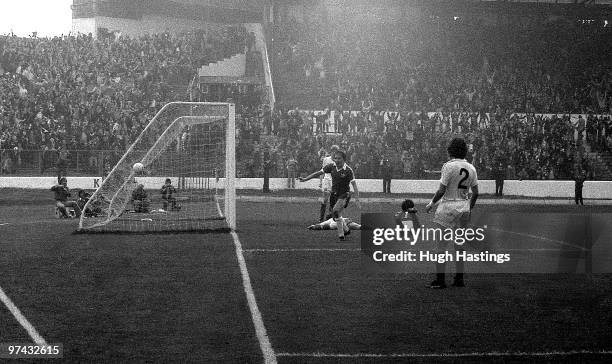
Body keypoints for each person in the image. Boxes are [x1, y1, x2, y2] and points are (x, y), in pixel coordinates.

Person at [425, 137, 479, 289]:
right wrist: (469, 208)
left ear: (450, 150)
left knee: (441, 245)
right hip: (464, 207)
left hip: (448, 206)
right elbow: (475, 193)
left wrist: (431, 204)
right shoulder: (471, 168)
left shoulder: (448, 166)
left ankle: (440, 281)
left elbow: (441, 190)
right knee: (459, 244)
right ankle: (459, 279)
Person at [300, 149, 360, 241]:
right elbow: (318, 173)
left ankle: (342, 234)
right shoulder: (331, 166)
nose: (336, 160)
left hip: (344, 194)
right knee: (336, 214)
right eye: (335, 158)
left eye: (339, 158)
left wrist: (357, 199)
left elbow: (354, 185)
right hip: (334, 194)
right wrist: (305, 179)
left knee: (335, 210)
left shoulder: (348, 170)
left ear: (344, 159)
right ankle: (345, 232)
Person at [319, 145, 339, 221]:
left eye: (336, 151)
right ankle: (321, 219)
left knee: (333, 200)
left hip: (335, 182)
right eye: (334, 151)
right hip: (327, 180)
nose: (335, 153)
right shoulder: (326, 159)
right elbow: (322, 171)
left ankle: (330, 217)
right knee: (325, 199)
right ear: (331, 151)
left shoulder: (339, 161)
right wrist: (321, 181)